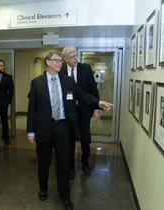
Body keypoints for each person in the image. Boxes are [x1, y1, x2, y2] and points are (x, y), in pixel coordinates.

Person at [27, 50, 114, 210]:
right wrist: (30, 131)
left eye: (61, 60)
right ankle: (43, 188)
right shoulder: (36, 82)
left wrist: (98, 103)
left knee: (64, 163)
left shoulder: (67, 81)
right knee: (44, 162)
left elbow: (82, 95)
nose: (60, 63)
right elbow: (32, 107)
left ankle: (65, 196)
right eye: (57, 60)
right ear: (48, 62)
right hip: (44, 127)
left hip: (63, 127)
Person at [60, 45, 100, 179]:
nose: (76, 59)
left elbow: (93, 89)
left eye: (76, 55)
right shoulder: (61, 71)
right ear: (65, 59)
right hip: (68, 113)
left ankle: (85, 163)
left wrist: (96, 109)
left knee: (86, 139)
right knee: (69, 141)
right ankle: (70, 167)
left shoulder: (86, 68)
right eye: (72, 57)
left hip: (84, 111)